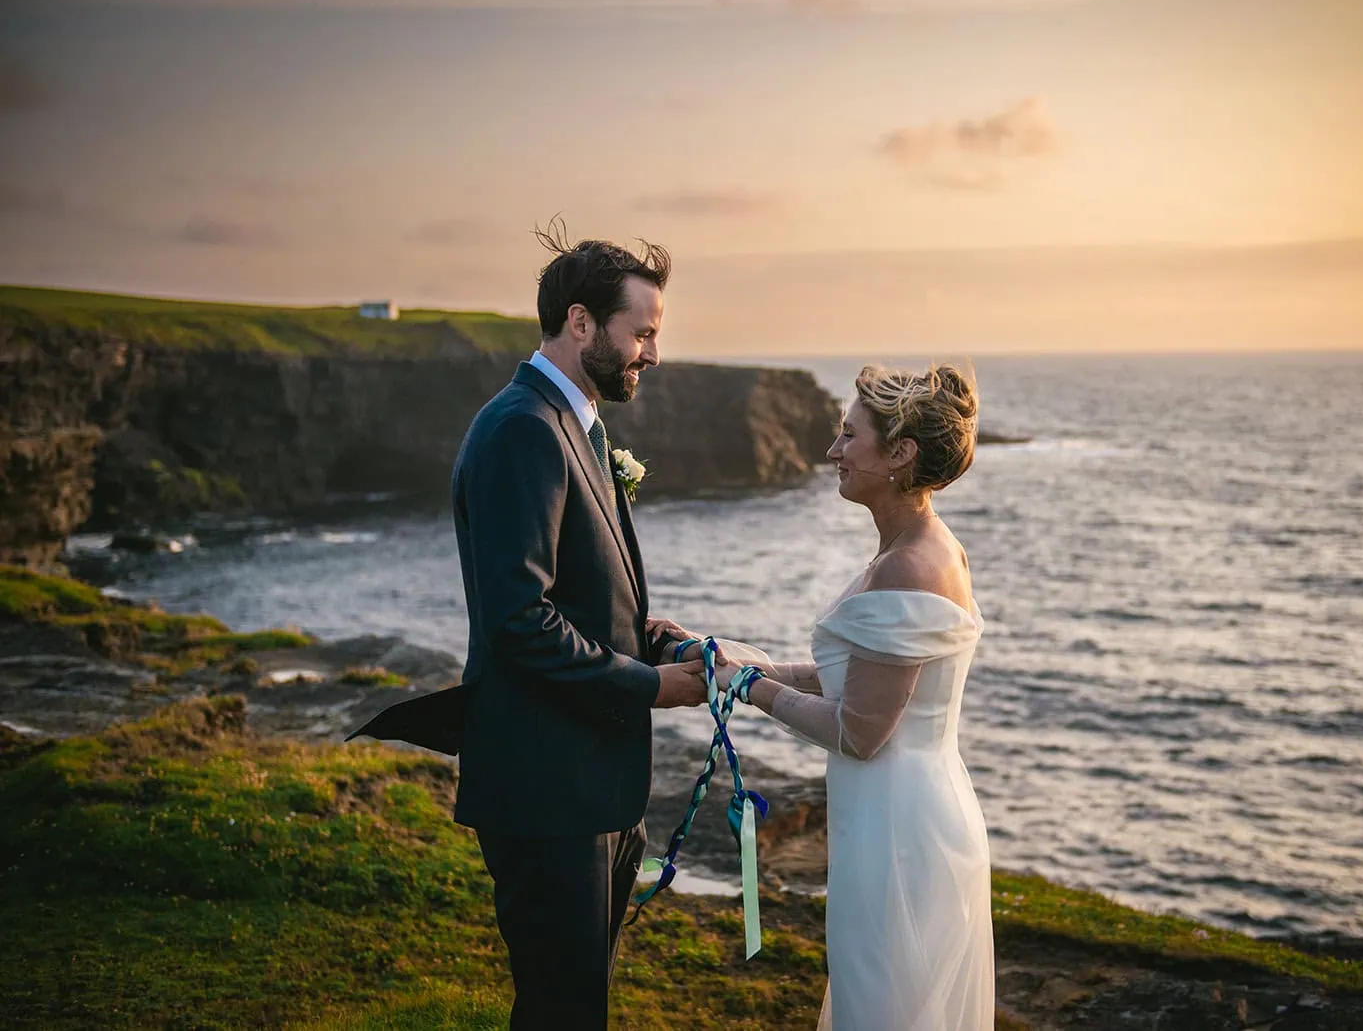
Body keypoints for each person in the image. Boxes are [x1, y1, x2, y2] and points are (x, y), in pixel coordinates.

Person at [357, 224, 708, 1029]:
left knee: (577, 1003)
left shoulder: (576, 421)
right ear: (580, 323)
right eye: (642, 333)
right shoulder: (523, 428)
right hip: (549, 789)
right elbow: (520, 619)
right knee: (562, 1010)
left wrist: (652, 637)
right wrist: (651, 685)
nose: (652, 353)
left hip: (594, 784)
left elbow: (574, 593)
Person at [714, 363, 994, 1029]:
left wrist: (747, 687)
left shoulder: (906, 564)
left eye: (848, 436)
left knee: (885, 1002)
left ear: (900, 454)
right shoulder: (916, 547)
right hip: (904, 813)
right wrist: (738, 660)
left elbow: (859, 730)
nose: (832, 451)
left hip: (900, 834)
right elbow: (853, 677)